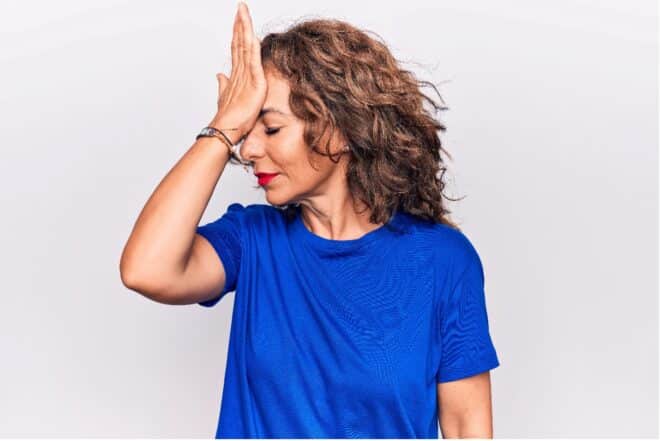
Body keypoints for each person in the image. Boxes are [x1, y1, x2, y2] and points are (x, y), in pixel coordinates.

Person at [120, 2, 500, 438]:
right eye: (247, 132)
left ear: (338, 131)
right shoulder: (252, 240)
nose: (249, 150)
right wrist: (223, 128)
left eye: (272, 129)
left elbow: (466, 425)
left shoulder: (443, 261)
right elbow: (145, 269)